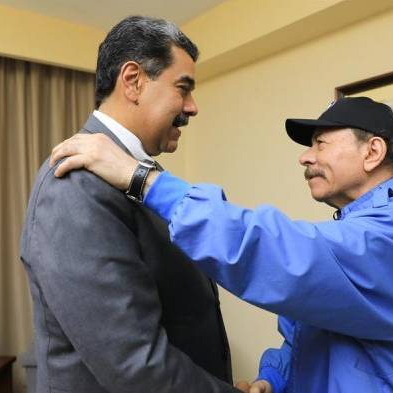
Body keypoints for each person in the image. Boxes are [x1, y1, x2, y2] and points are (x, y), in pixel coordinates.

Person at [49, 96, 393, 393]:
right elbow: (309, 333)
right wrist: (274, 378)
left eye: (320, 143)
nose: (305, 157)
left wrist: (143, 179)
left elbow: (281, 254)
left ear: (372, 152)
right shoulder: (356, 229)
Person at [20, 16, 241, 393]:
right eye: (183, 88)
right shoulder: (76, 184)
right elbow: (136, 366)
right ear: (134, 81)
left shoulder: (139, 176)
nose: (193, 107)